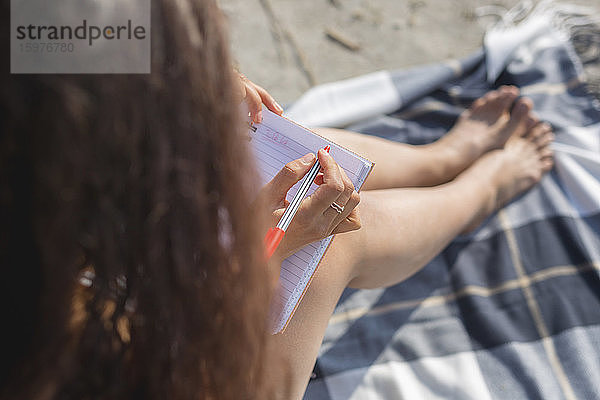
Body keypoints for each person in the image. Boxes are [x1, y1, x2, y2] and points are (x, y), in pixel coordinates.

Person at [0, 0, 554, 399]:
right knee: (325, 250)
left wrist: (190, 67)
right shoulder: (53, 341)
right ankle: (483, 187)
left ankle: (439, 159)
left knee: (294, 152)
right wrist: (264, 246)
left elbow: (36, 32)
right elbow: (182, 369)